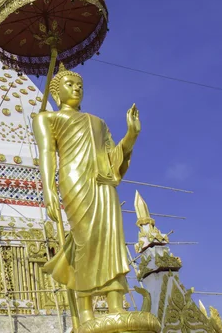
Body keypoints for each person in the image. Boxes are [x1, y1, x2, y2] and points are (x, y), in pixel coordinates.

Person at [33, 63, 141, 323]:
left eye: (80, 86)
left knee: (110, 238)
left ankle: (116, 305)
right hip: (74, 180)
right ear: (56, 94)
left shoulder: (98, 122)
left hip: (102, 182)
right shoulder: (46, 118)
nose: (77, 89)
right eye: (70, 85)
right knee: (84, 241)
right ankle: (85, 311)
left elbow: (113, 156)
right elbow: (47, 154)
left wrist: (131, 134)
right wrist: (48, 190)